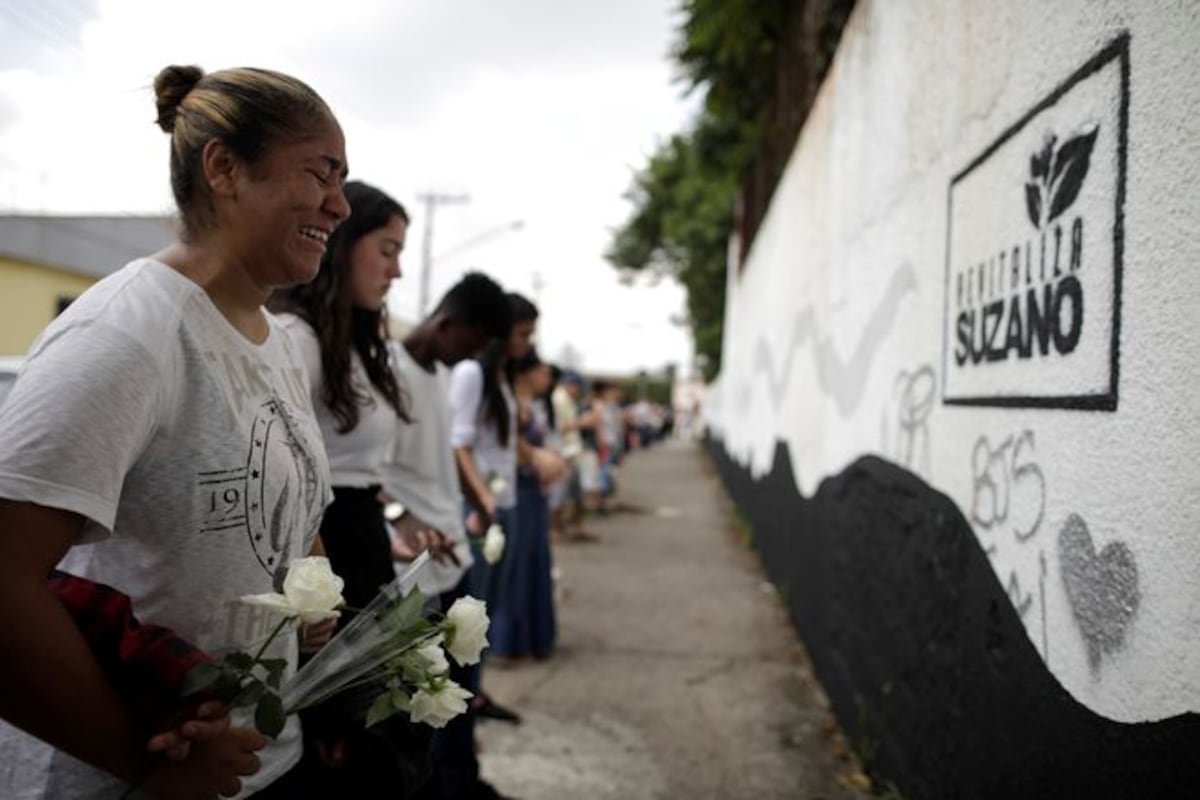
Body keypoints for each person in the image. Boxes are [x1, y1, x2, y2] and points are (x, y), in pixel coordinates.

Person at [0, 64, 347, 798]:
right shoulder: (128, 334)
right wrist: (147, 760)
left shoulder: (276, 343)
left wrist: (310, 604)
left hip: (263, 768)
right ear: (224, 167)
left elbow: (283, 521)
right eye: (321, 173)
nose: (340, 205)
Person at [271, 180, 438, 797]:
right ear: (342, 245)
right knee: (346, 752)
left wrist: (394, 529)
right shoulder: (298, 339)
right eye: (387, 250)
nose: (396, 270)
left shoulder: (359, 343)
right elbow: (288, 476)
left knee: (388, 742)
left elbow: (358, 473)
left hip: (363, 547)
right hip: (323, 559)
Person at [382, 272, 514, 800]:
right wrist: (397, 516)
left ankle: (461, 783)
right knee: (416, 704)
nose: (472, 357)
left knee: (455, 694)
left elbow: (443, 460)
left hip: (453, 560)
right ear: (446, 322)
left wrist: (478, 505)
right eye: (471, 343)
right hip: (406, 569)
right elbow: (357, 472)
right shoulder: (386, 371)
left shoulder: (441, 373)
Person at [489, 347, 558, 661]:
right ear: (526, 372)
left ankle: (531, 637)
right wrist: (537, 460)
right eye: (540, 369)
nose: (546, 375)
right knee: (517, 561)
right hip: (520, 489)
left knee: (533, 560)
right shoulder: (511, 402)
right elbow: (503, 446)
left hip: (535, 490)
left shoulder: (535, 404)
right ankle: (509, 640)